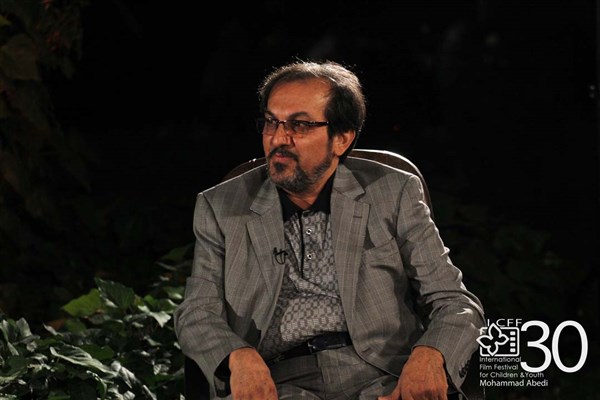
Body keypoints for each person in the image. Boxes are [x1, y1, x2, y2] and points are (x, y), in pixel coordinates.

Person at [174, 60, 485, 400]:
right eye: (271, 122)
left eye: (299, 125)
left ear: (341, 139)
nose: (278, 138)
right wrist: (238, 356)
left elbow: (454, 301)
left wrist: (431, 355)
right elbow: (196, 313)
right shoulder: (221, 206)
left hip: (386, 375)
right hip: (277, 382)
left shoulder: (392, 193)